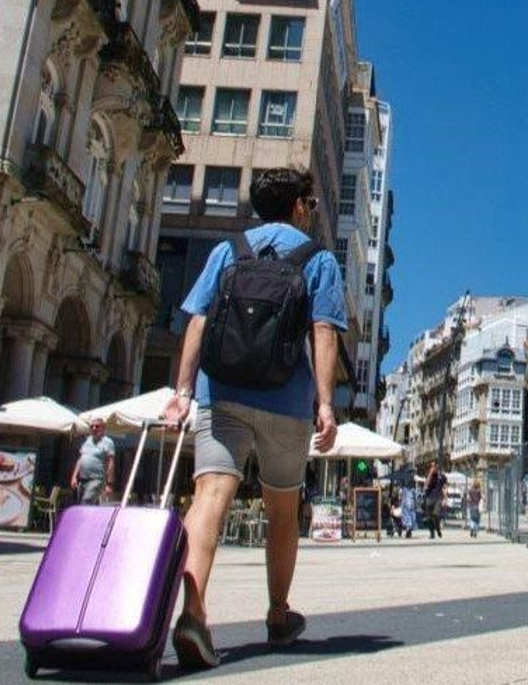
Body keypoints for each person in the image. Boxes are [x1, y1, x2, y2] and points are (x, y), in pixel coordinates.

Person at [161, 168, 345, 669]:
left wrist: (182, 389)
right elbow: (322, 331)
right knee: (282, 509)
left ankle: (194, 611)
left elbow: (197, 319)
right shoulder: (318, 260)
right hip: (286, 400)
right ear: (301, 206)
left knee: (209, 498)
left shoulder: (228, 251)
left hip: (220, 392)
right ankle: (278, 613)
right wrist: (325, 404)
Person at [70, 418, 117, 505]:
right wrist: (74, 477)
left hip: (97, 479)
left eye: (97, 426)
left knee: (86, 502)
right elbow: (80, 459)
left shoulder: (108, 442)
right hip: (83, 479)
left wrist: (109, 484)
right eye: (92, 426)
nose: (94, 428)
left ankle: (83, 518)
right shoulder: (87, 441)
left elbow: (111, 462)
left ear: (103, 428)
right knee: (81, 504)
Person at [422, 460, 446, 539]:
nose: (433, 468)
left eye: (434, 466)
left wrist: (445, 498)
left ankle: (438, 528)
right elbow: (426, 485)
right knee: (429, 517)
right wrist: (430, 473)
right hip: (429, 497)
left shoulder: (441, 476)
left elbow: (444, 486)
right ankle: (432, 533)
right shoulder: (428, 475)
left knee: (436, 514)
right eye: (431, 466)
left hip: (438, 498)